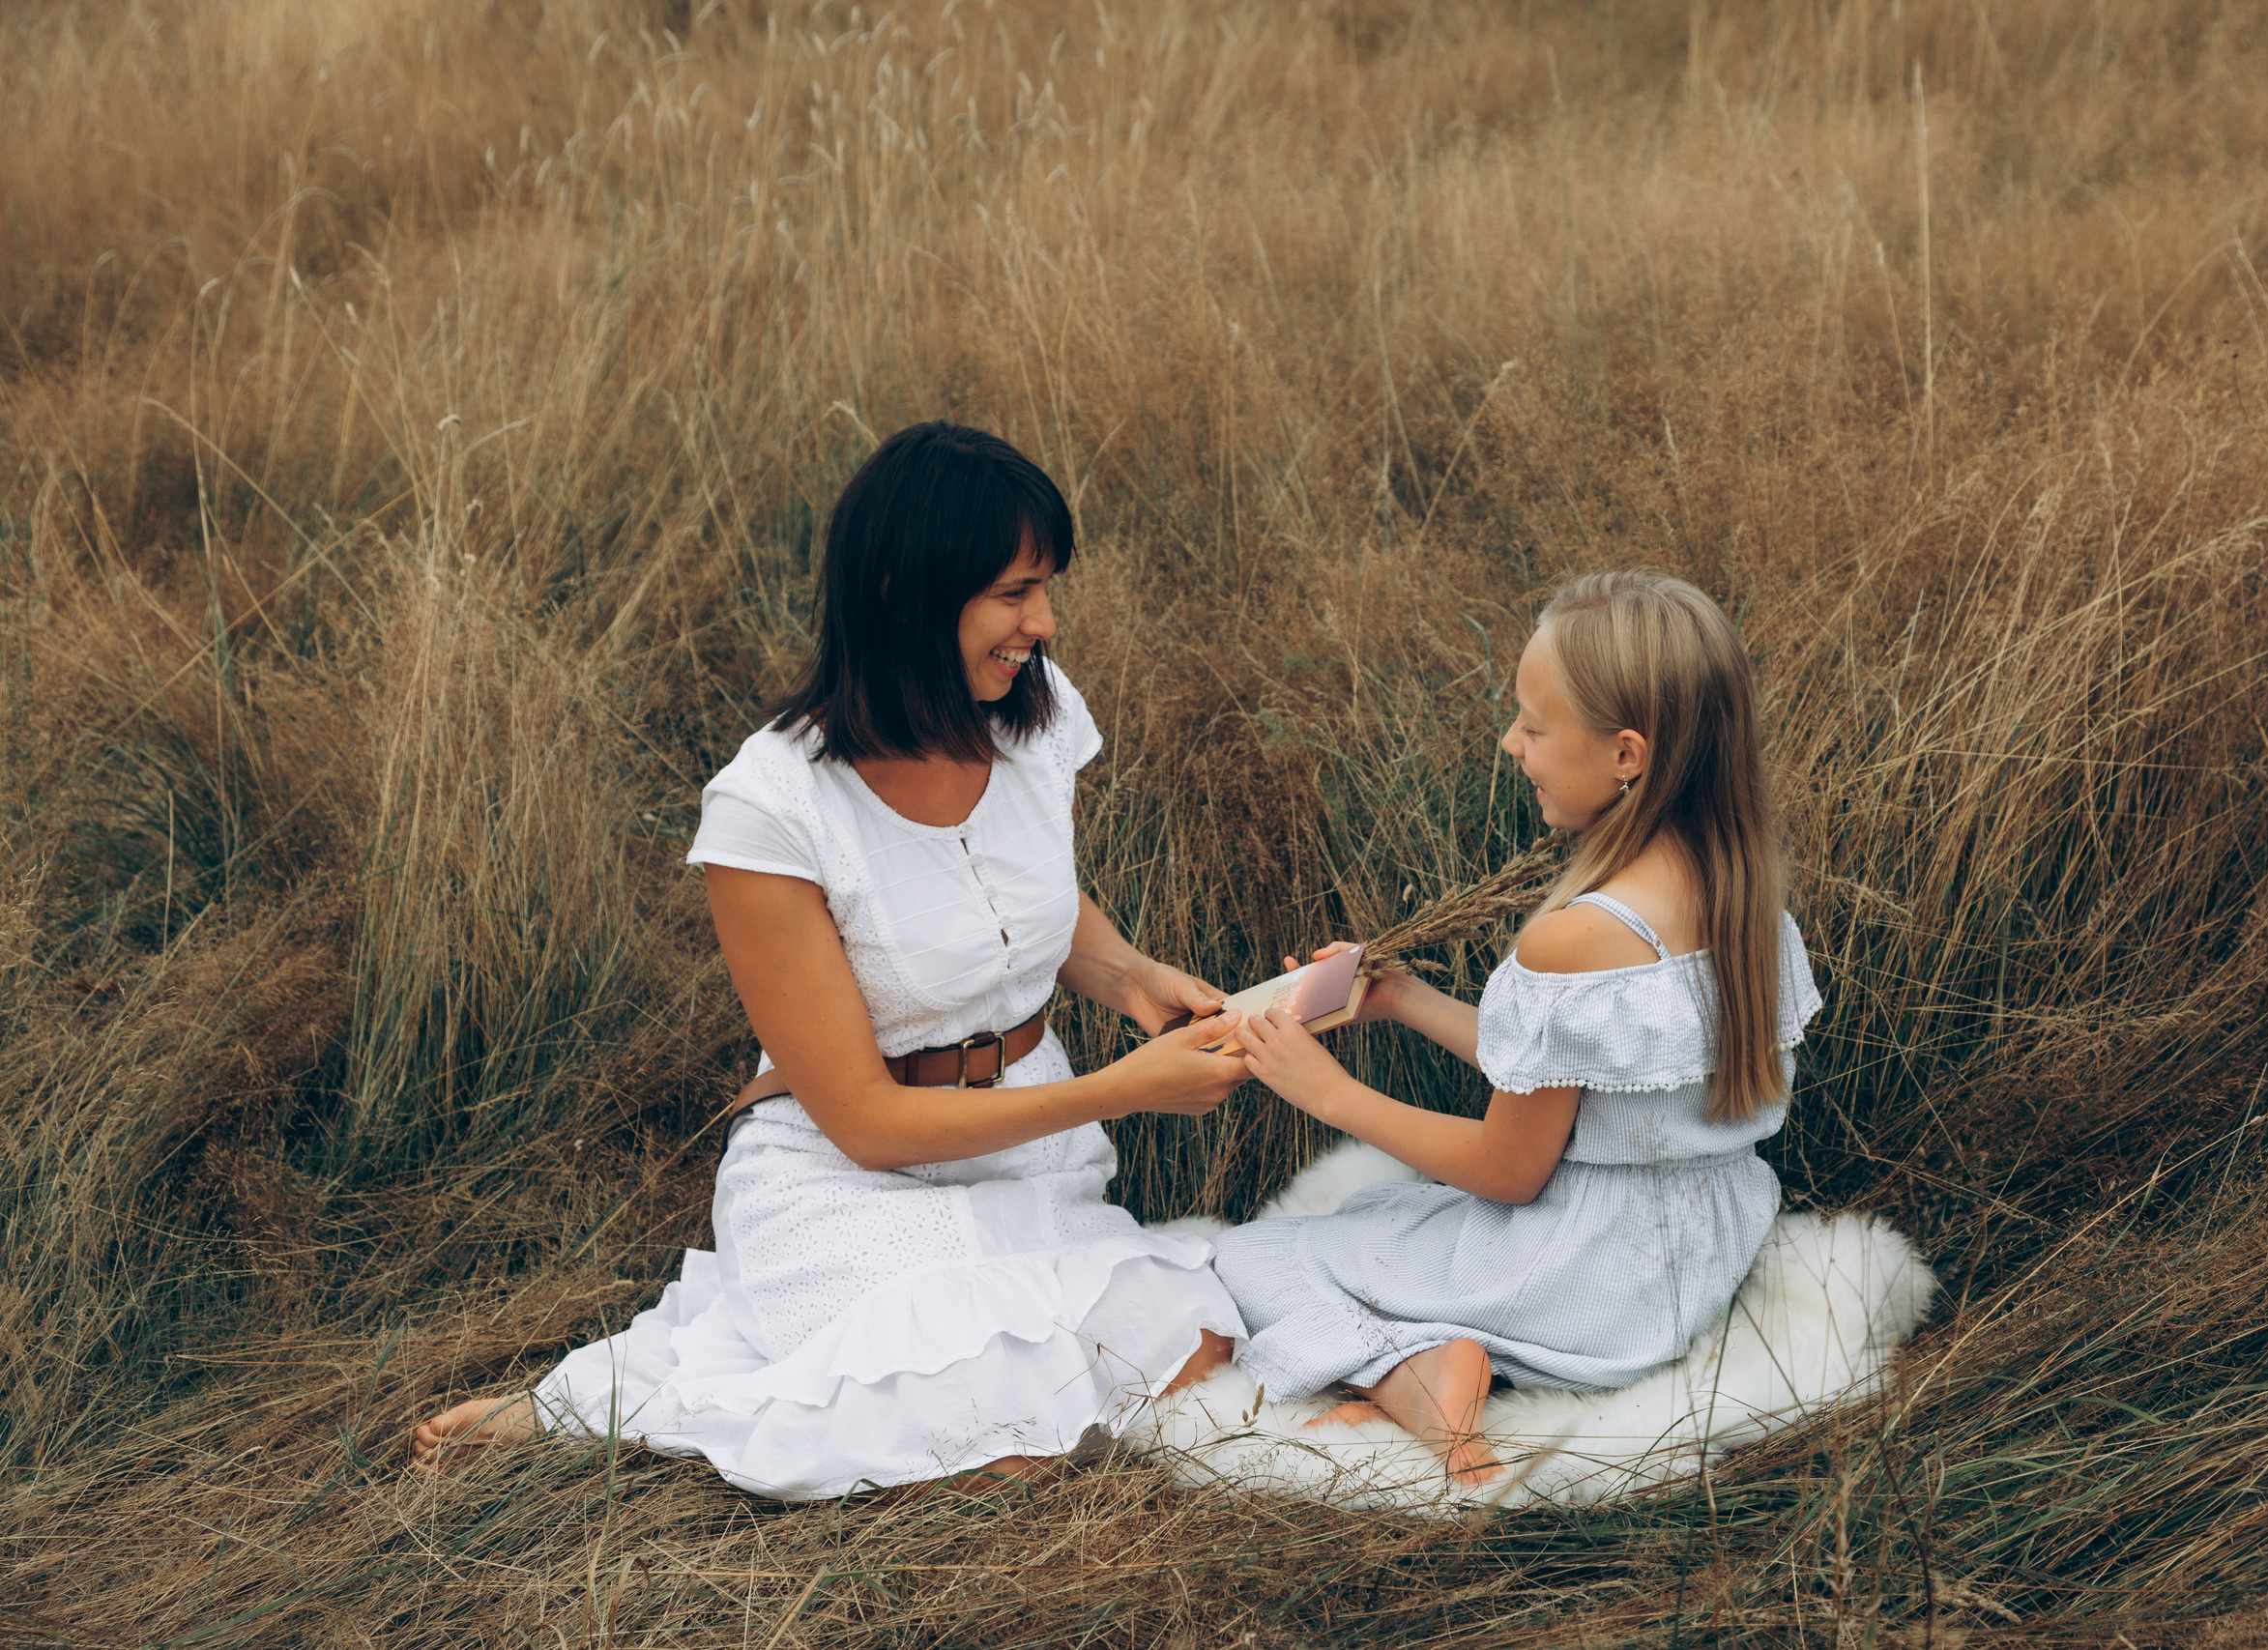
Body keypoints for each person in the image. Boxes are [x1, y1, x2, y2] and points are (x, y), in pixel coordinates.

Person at [413, 421, 1251, 1498]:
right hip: (845, 1174)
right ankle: (599, 1407)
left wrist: (1135, 980)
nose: (1042, 624)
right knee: (994, 1448)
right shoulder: (771, 808)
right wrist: (1121, 1094)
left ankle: (706, 1356)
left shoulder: (1033, 720)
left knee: (1190, 1351)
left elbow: (1018, 891)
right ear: (907, 589)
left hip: (1029, 1147)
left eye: (1045, 588)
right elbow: (865, 1120)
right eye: (1014, 593)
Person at [1210, 570, 1822, 1485]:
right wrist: (1406, 997)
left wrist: (1329, 1092)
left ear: (1627, 754)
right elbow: (1590, 1083)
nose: (1511, 744)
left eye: (1533, 726)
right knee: (1388, 1216)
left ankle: (1424, 1376)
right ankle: (1434, 1356)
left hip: (1587, 1285)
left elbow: (1510, 1168)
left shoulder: (1571, 938)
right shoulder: (1747, 905)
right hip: (1694, 1255)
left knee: (1257, 1254)